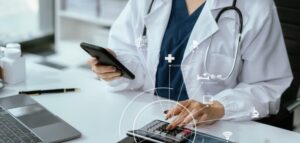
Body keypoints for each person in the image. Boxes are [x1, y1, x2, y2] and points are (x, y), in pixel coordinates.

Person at [88, 0, 292, 130]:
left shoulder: (255, 6)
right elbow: (132, 56)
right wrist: (115, 68)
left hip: (214, 130)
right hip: (148, 119)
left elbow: (267, 85)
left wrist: (217, 107)